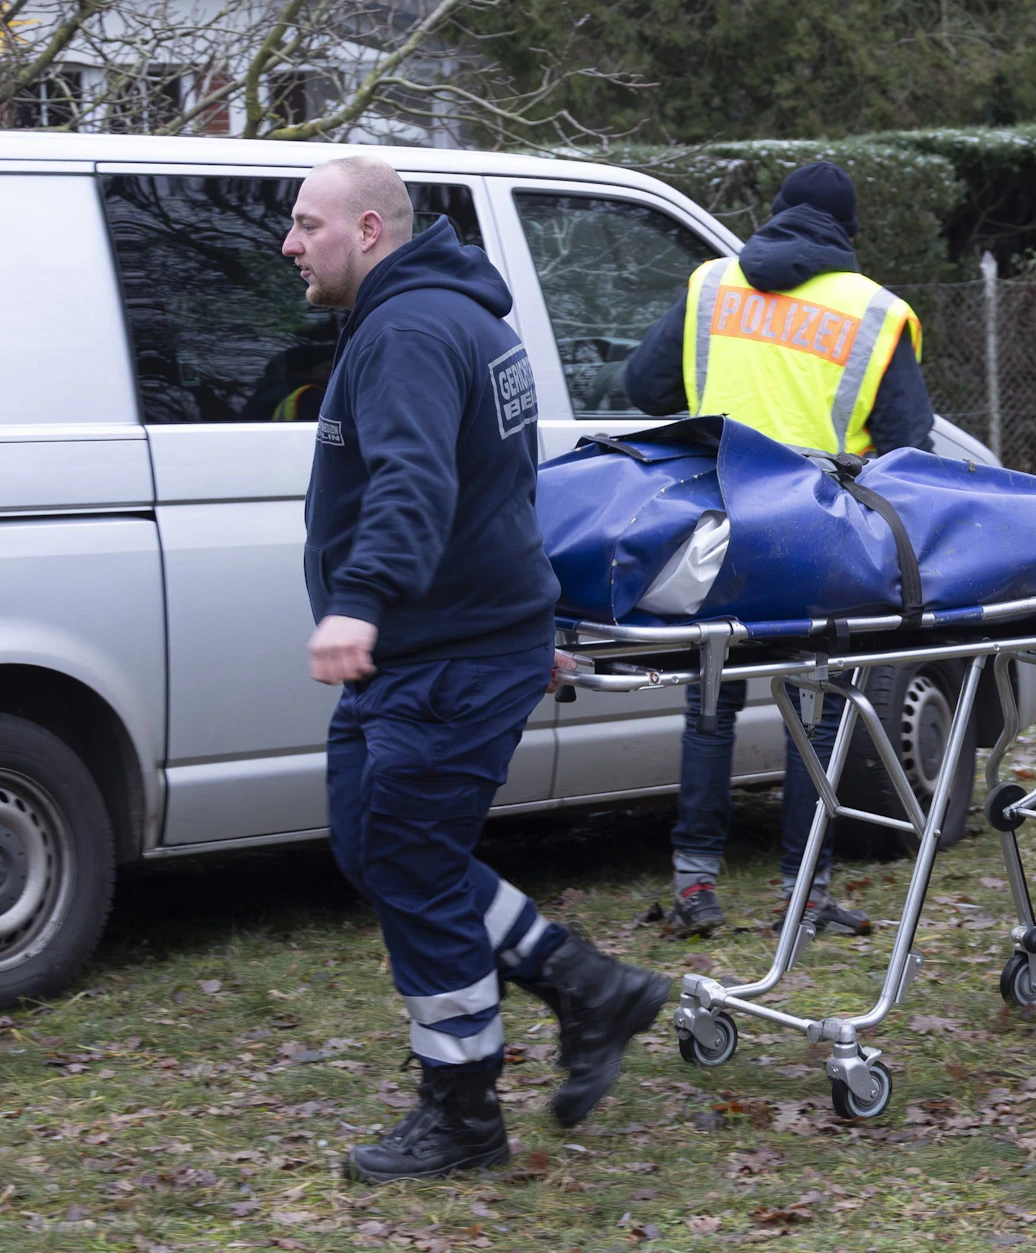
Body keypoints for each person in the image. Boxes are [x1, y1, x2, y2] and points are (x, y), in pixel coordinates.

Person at [288, 155, 669, 1183]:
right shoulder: (461, 320)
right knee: (379, 844)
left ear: (369, 229)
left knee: (407, 859)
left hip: (438, 653)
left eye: (307, 224)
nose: (290, 245)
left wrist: (358, 600)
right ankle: (583, 982)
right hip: (448, 643)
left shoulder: (410, 330)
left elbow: (415, 482)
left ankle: (461, 1109)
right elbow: (496, 487)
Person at [626, 161, 936, 939]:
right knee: (816, 720)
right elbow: (911, 449)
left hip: (716, 528)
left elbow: (642, 386)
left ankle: (695, 889)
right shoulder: (874, 313)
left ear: (776, 216)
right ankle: (807, 895)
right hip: (815, 538)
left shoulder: (710, 287)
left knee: (709, 709)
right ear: (848, 234)